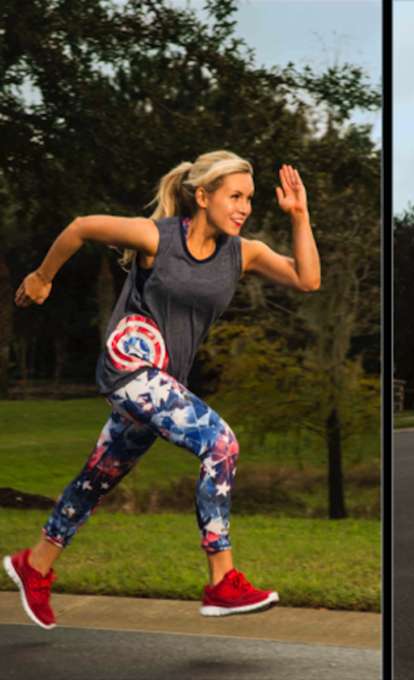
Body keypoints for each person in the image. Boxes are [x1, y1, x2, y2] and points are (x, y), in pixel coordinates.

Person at [6, 150, 320, 629]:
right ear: (202, 196)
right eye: (234, 196)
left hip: (161, 384)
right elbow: (81, 226)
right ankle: (222, 578)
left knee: (98, 477)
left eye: (250, 199)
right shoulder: (157, 237)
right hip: (129, 364)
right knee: (220, 443)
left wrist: (299, 215)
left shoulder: (243, 252)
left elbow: (307, 278)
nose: (245, 207)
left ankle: (36, 564)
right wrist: (42, 277)